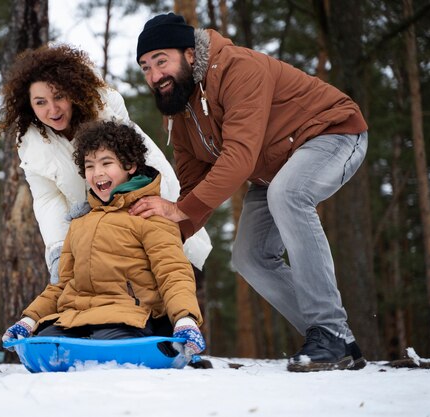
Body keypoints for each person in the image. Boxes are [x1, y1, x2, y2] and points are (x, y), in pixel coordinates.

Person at [131, 13, 369, 372]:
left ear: (190, 54)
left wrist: (180, 210)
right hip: (271, 171)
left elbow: (239, 157)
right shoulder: (180, 111)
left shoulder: (238, 68)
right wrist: (161, 239)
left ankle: (330, 330)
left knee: (288, 195)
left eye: (161, 61)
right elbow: (192, 187)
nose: (154, 75)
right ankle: (335, 342)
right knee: (249, 257)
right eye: (145, 67)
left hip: (331, 133)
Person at [0, 44, 211, 286]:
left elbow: (134, 171)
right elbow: (47, 199)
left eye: (58, 96)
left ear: (72, 91)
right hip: (93, 230)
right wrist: (58, 250)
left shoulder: (103, 109)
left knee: (166, 273)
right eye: (41, 102)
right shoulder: (31, 143)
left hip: (140, 203)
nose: (52, 109)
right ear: (29, 105)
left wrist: (113, 216)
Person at [2, 120, 206, 360]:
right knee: (42, 346)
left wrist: (185, 318)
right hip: (75, 319)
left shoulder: (150, 216)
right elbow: (62, 284)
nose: (97, 172)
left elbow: (173, 272)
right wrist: (30, 318)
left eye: (106, 163)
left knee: (104, 350)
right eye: (89, 166)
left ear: (130, 165)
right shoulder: (80, 224)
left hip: (128, 317)